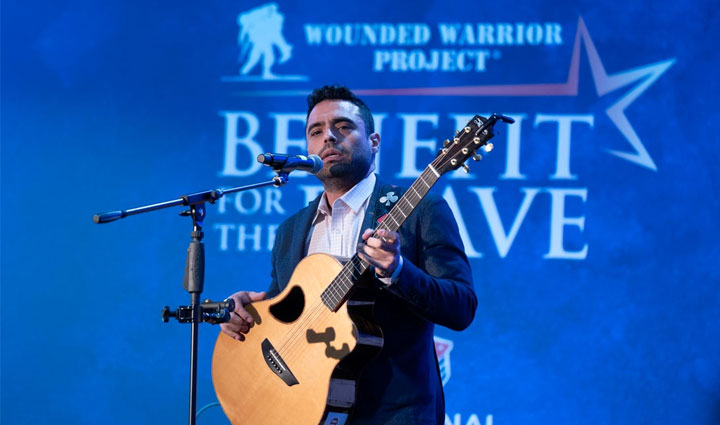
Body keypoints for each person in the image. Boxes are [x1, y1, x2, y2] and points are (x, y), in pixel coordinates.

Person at [220, 85, 477, 425]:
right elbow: (286, 312)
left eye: (343, 127)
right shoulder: (291, 231)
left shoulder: (421, 210)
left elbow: (461, 307)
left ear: (374, 142)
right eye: (316, 131)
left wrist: (397, 270)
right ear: (308, 148)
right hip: (305, 412)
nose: (328, 137)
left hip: (393, 414)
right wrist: (245, 313)